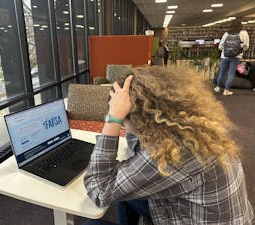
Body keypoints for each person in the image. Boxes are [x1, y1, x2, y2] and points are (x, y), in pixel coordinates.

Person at [84, 66, 254, 225]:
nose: (121, 124)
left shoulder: (172, 154)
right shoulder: (190, 127)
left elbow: (99, 189)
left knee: (91, 223)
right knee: (128, 195)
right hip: (219, 216)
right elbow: (137, 145)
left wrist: (113, 118)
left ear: (137, 118)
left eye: (123, 119)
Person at [214, 19, 249, 95]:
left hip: (225, 56)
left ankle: (217, 87)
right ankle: (226, 90)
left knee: (222, 72)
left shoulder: (227, 33)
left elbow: (220, 46)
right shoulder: (244, 33)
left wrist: (226, 50)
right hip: (236, 56)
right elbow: (246, 46)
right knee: (231, 74)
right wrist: (240, 51)